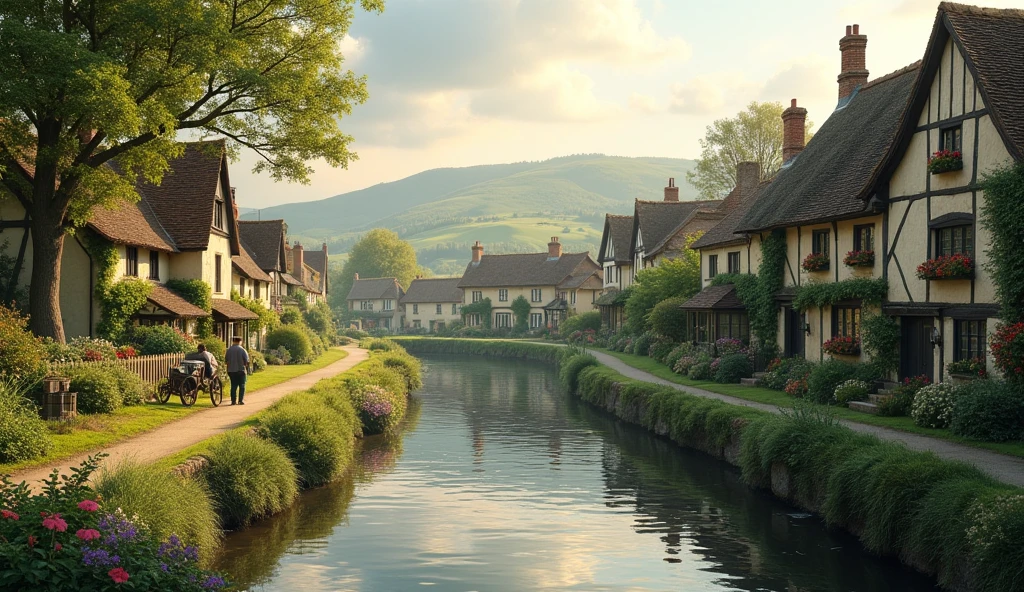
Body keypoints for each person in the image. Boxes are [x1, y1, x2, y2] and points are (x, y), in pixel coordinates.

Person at [225, 336, 250, 405]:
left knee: (233, 386)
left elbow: (226, 360)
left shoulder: (229, 350)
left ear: (233, 341)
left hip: (231, 370)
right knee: (242, 386)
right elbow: (246, 360)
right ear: (240, 341)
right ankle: (240, 400)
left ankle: (233, 401)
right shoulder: (242, 350)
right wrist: (245, 366)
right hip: (240, 370)